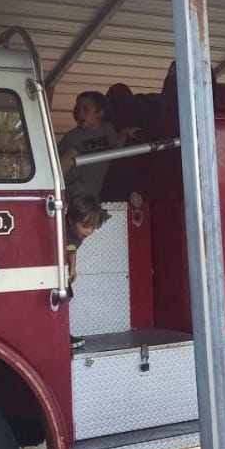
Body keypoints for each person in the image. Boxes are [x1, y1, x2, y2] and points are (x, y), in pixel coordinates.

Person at [58, 90, 138, 202]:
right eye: (77, 109)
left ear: (100, 113)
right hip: (75, 196)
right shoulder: (72, 138)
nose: (79, 114)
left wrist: (123, 134)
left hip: (94, 196)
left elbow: (115, 150)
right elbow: (60, 169)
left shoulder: (108, 129)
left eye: (85, 109)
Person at [65, 193, 110, 349]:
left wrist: (73, 267)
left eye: (93, 227)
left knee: (67, 296)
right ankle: (61, 334)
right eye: (86, 226)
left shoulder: (78, 234)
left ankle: (63, 332)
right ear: (71, 220)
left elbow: (72, 249)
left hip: (62, 268)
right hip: (50, 270)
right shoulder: (62, 231)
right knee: (63, 297)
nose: (90, 231)